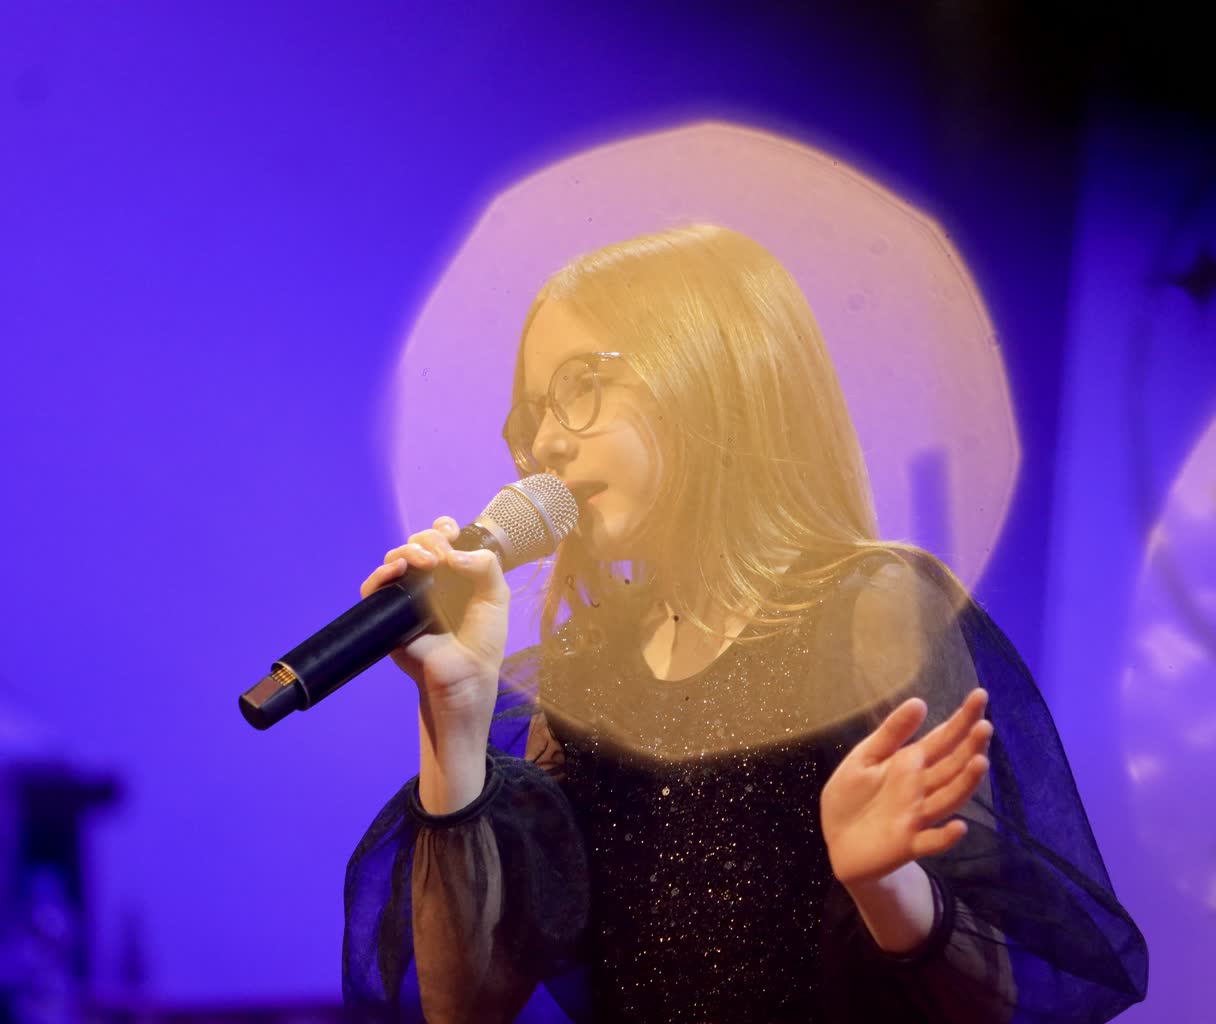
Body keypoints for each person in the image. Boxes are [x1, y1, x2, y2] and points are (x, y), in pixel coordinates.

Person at [341, 224, 1148, 1022]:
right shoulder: (585, 666)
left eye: (580, 386)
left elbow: (993, 1001)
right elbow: (463, 1007)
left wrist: (883, 883)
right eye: (532, 415)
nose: (548, 442)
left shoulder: (868, 607)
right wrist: (454, 717)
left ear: (710, 378)